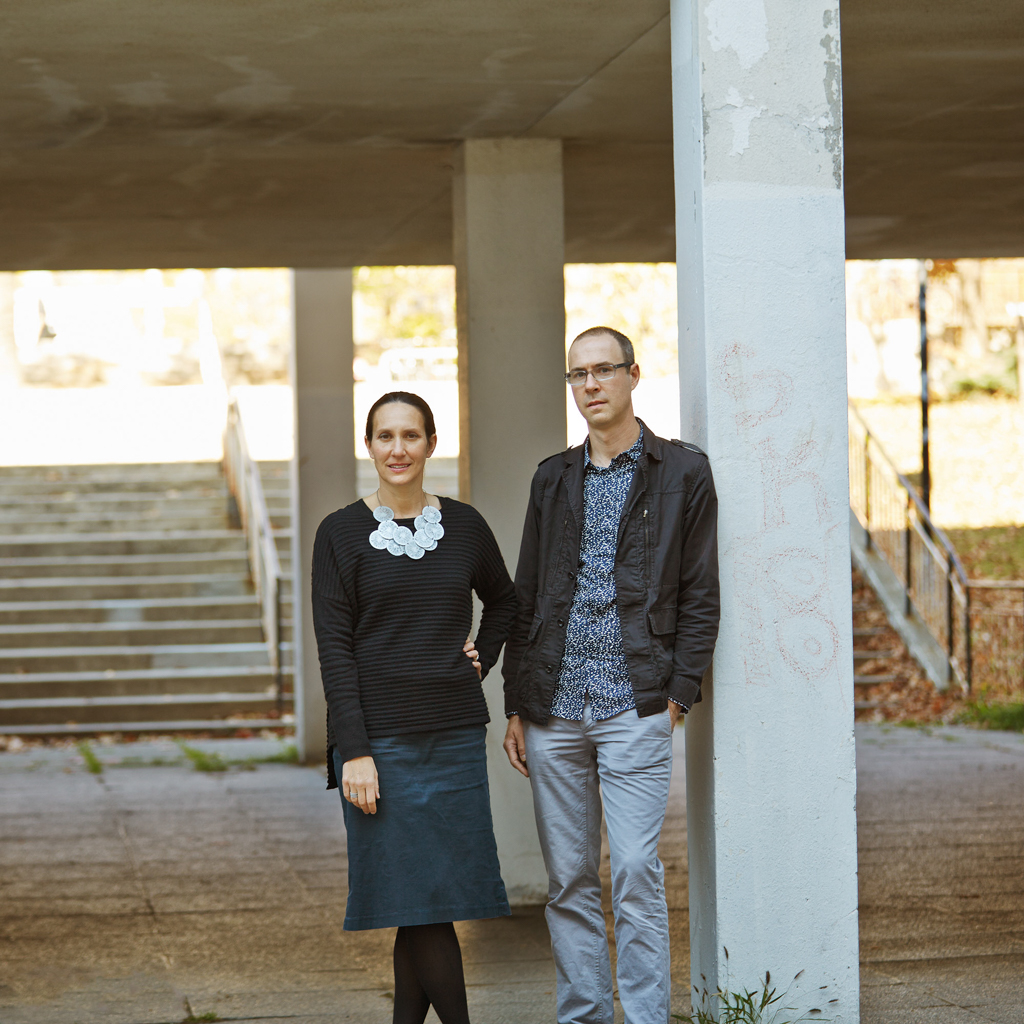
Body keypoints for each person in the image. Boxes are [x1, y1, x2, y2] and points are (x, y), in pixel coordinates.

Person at [502, 326, 720, 1024]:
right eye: (577, 375)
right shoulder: (552, 477)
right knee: (568, 880)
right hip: (553, 709)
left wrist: (678, 694)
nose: (590, 385)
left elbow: (700, 592)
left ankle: (648, 1016)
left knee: (632, 872)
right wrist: (515, 700)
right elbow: (526, 592)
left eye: (602, 371)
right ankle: (586, 1015)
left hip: (637, 702)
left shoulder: (683, 472)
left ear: (632, 375)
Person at [311, 390, 517, 1024]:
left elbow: (507, 601)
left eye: (410, 435)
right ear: (368, 445)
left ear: (432, 442)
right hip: (382, 745)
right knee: (419, 904)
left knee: (426, 903)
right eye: (384, 436)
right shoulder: (340, 534)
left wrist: (481, 652)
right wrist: (357, 752)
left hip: (453, 740)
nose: (397, 449)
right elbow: (335, 652)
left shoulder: (464, 526)